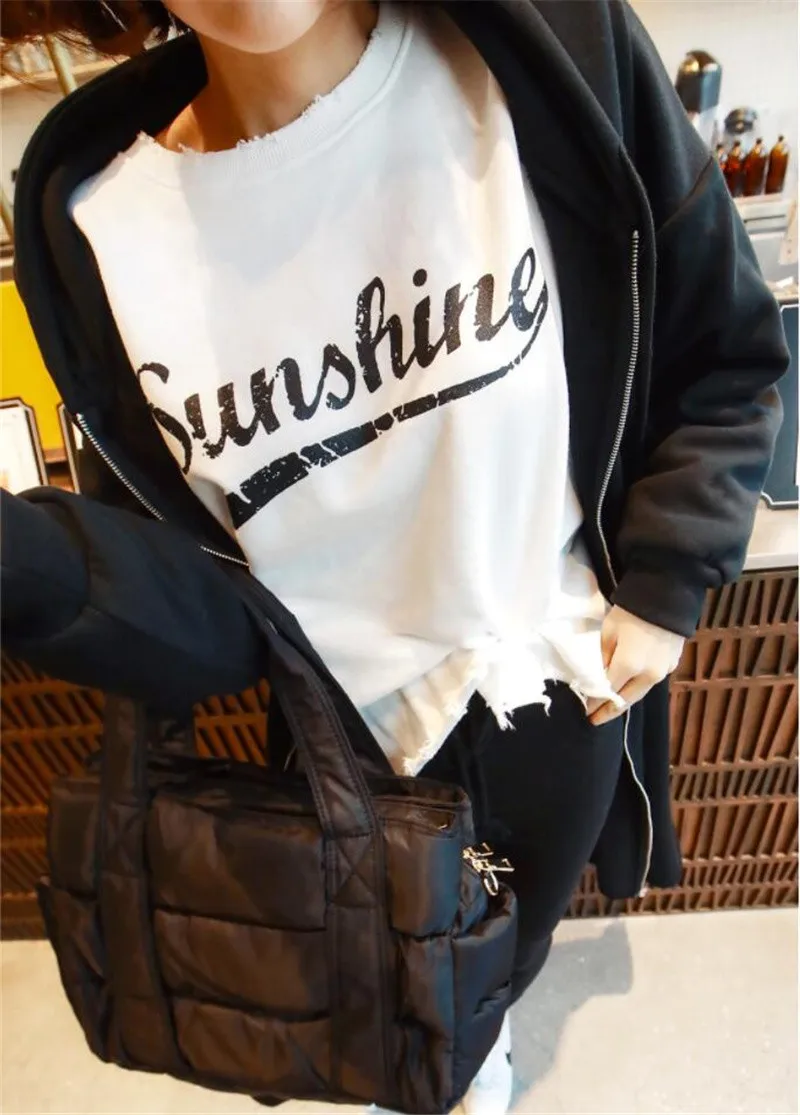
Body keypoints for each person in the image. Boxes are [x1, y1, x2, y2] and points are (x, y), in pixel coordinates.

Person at [0, 1, 788, 1112]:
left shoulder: (545, 53)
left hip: (558, 694)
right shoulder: (97, 218)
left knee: (492, 977)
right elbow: (209, 620)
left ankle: (475, 1049)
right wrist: (25, 561)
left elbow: (725, 351)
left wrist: (667, 578)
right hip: (338, 753)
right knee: (380, 1004)